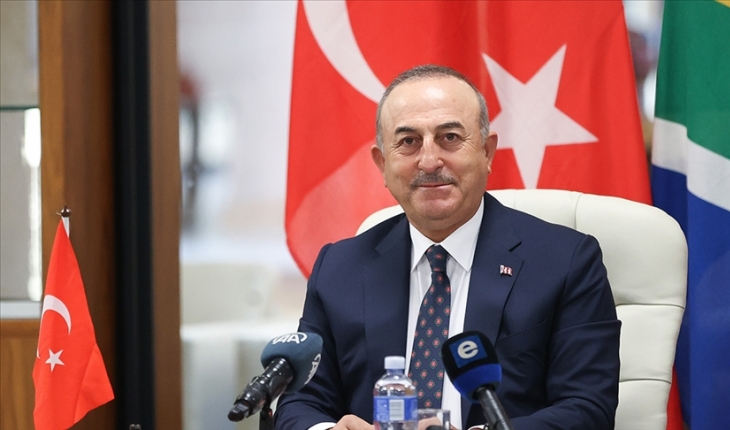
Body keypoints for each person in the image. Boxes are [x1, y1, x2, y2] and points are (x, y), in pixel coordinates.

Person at [275, 65, 620, 430]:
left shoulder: (565, 261)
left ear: (487, 152)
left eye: (450, 138)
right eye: (408, 142)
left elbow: (587, 408)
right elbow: (301, 402)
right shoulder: (339, 268)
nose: (429, 161)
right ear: (382, 164)